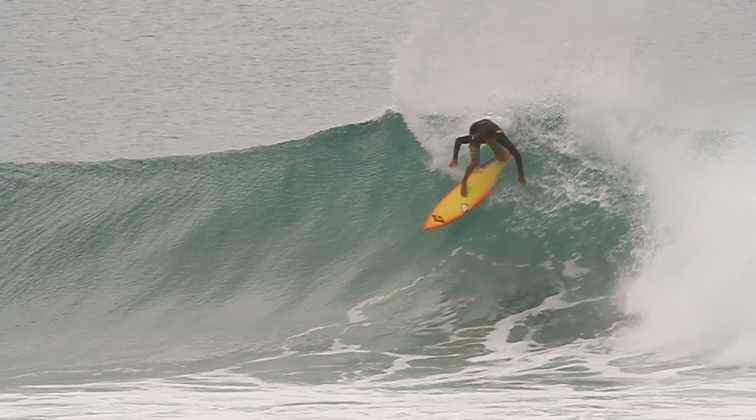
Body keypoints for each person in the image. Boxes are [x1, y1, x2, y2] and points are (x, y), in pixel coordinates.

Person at [449, 119, 526, 197]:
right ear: (484, 138)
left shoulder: (501, 138)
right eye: (487, 141)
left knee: (501, 159)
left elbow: (517, 155)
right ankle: (464, 182)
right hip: (475, 128)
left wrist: (521, 174)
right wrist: (455, 158)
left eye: (491, 141)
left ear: (495, 137)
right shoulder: (477, 137)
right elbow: (459, 140)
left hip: (491, 127)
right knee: (475, 162)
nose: (489, 143)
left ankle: (502, 153)